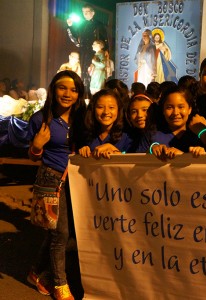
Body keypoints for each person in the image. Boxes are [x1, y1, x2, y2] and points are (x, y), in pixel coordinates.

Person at [27, 70, 86, 300]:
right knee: (61, 233)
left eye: (73, 89)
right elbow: (32, 156)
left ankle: (35, 272)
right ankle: (60, 284)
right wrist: (37, 145)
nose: (67, 93)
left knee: (58, 231)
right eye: (63, 88)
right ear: (53, 89)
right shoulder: (40, 119)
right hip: (51, 179)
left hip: (78, 181)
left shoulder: (82, 117)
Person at [147, 86, 203, 160]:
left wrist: (186, 156)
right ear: (163, 110)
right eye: (169, 107)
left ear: (189, 109)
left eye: (181, 107)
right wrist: (152, 149)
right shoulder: (152, 135)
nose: (175, 113)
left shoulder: (198, 137)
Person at [78, 89, 132, 159]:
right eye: (100, 107)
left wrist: (115, 152)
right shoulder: (85, 134)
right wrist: (83, 151)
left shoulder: (127, 136)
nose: (106, 112)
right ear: (93, 109)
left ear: (118, 110)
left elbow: (133, 163)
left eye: (111, 107)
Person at [66, 4, 108, 90]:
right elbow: (76, 38)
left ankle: (93, 94)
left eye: (87, 12)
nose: (85, 14)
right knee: (84, 73)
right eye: (83, 12)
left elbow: (104, 39)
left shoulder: (99, 24)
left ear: (93, 13)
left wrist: (106, 50)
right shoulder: (82, 25)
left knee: (93, 73)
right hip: (83, 51)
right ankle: (84, 93)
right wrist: (71, 26)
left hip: (94, 52)